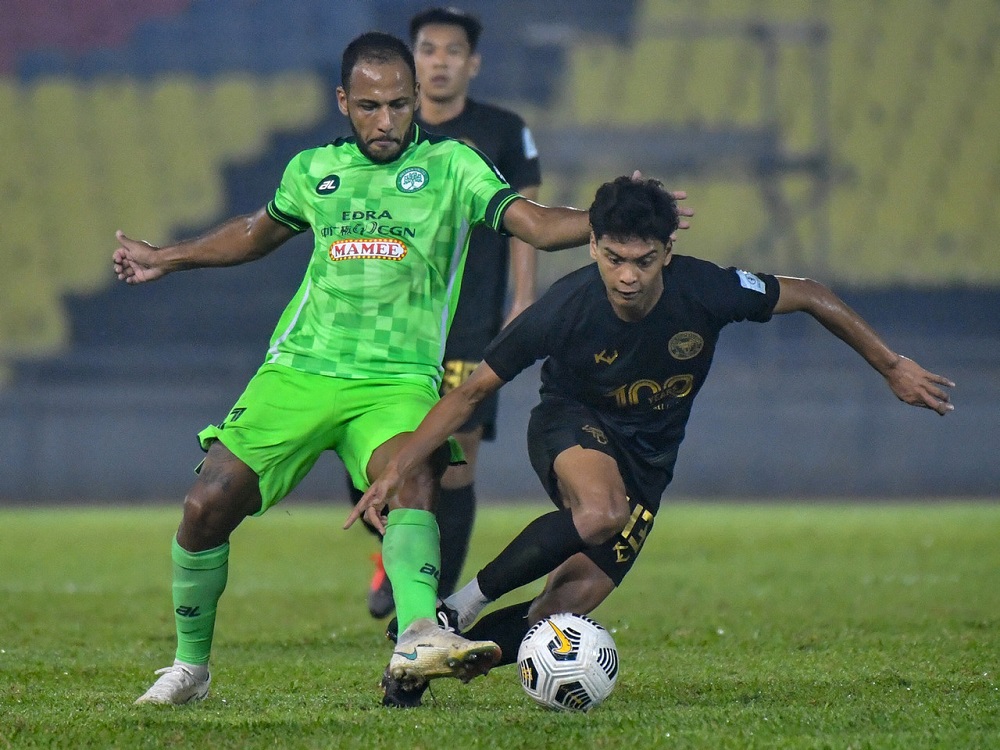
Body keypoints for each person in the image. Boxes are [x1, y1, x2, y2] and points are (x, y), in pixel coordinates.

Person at [114, 33, 686, 708]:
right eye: (368, 106)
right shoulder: (313, 170)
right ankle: (190, 669)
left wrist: (616, 218)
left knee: (416, 475)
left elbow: (530, 221)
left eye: (397, 104)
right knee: (207, 505)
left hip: (397, 378)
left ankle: (418, 631)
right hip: (300, 370)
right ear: (343, 103)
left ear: (417, 100)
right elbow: (255, 230)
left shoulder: (453, 167)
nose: (385, 120)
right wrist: (166, 256)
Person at [351, 175, 955, 707]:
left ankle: (422, 668)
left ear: (669, 251)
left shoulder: (708, 290)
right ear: (592, 247)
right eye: (614, 258)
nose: (627, 276)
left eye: (643, 260)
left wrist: (890, 364)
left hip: (648, 463)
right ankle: (457, 608)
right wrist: (399, 466)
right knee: (601, 511)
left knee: (561, 611)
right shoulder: (567, 307)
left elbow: (811, 294)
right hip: (569, 425)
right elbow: (470, 392)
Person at [347, 6, 544, 621]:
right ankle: (394, 555)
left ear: (472, 63)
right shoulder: (385, 139)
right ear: (411, 61)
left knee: (453, 462)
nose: (439, 61)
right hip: (388, 323)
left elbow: (526, 220)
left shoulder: (505, 130)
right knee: (368, 456)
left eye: (451, 51)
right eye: (428, 50)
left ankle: (429, 597)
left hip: (471, 321)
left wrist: (523, 298)